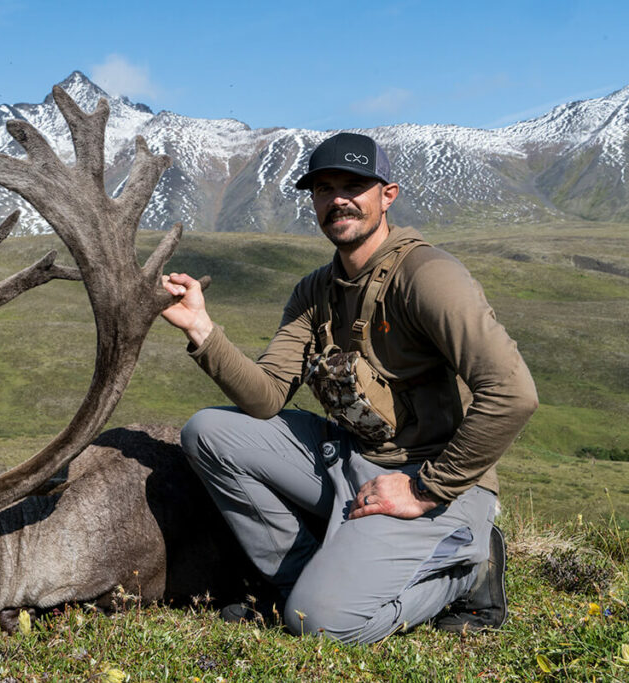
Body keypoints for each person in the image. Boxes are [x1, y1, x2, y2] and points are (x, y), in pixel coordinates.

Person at [161, 132, 537, 644]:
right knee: (209, 431)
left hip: (437, 482)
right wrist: (202, 330)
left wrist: (426, 489)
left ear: (388, 195)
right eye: (323, 187)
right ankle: (294, 578)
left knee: (320, 624)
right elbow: (266, 396)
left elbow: (513, 393)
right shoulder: (317, 290)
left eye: (354, 185)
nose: (338, 197)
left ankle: (467, 573)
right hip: (354, 462)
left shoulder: (428, 277)